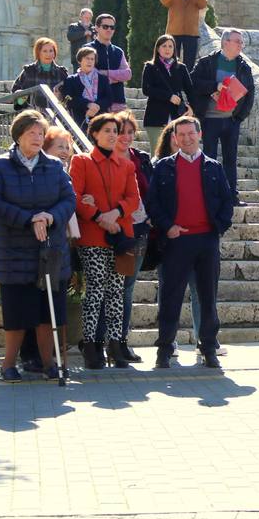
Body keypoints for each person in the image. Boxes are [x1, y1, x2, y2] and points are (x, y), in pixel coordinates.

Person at [0, 110, 76, 382]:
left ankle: (50, 364)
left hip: (50, 250)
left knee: (49, 311)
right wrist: (27, 219)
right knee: (17, 311)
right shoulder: (0, 166)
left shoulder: (54, 167)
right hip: (15, 251)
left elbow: (68, 200)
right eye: (31, 133)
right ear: (18, 135)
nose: (37, 138)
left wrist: (50, 216)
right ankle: (8, 364)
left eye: (40, 133)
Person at [147, 116, 234, 369]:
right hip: (176, 241)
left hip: (206, 241)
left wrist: (217, 227)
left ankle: (208, 347)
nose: (186, 138)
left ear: (200, 135)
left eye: (190, 134)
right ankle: (164, 348)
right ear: (174, 138)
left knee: (208, 297)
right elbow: (153, 204)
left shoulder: (214, 167)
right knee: (170, 297)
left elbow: (227, 202)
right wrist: (168, 227)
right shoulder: (163, 167)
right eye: (181, 135)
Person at [70, 113, 140, 370]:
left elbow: (133, 198)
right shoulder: (81, 161)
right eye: (108, 130)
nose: (113, 135)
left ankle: (115, 343)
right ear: (95, 133)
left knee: (116, 292)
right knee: (96, 290)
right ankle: (90, 344)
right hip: (93, 236)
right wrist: (99, 216)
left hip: (121, 237)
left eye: (116, 130)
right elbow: (75, 197)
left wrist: (117, 212)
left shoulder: (127, 165)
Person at [18, 126, 81, 373]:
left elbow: (68, 202)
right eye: (59, 147)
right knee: (30, 302)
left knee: (52, 302)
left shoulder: (62, 173)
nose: (65, 152)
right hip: (29, 246)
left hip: (58, 246)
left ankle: (49, 355)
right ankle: (30, 353)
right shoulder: (40, 172)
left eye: (67, 147)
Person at [102, 112, 154, 365]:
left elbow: (152, 191)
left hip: (138, 231)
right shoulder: (103, 159)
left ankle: (120, 342)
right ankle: (99, 341)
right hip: (110, 232)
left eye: (130, 132)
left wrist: (151, 217)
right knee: (104, 289)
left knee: (126, 290)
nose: (125, 137)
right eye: (120, 131)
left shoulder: (141, 160)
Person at [189, 28, 254, 204]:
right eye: (237, 41)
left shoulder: (244, 66)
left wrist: (239, 118)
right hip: (209, 120)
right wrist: (215, 86)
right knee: (209, 158)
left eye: (242, 42)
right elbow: (193, 84)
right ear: (225, 42)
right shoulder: (207, 62)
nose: (241, 45)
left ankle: (231, 196)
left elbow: (250, 94)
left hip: (231, 121)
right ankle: (209, 196)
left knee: (230, 160)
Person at [141, 33, 193, 143]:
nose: (167, 49)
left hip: (177, 116)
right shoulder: (150, 67)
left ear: (174, 49)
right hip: (155, 116)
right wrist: (168, 96)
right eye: (164, 46)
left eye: (170, 46)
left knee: (176, 152)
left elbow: (190, 90)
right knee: (156, 153)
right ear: (158, 49)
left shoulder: (181, 68)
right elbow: (146, 89)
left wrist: (191, 107)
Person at [160, 0, 209, 66]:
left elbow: (203, 5)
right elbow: (164, 2)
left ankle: (187, 79)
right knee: (171, 59)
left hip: (191, 33)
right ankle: (172, 78)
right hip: (174, 32)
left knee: (190, 60)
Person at [58, 46, 112, 132]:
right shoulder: (71, 80)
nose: (90, 61)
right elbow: (68, 99)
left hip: (100, 120)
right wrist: (88, 104)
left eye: (92, 59)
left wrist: (97, 106)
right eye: (87, 58)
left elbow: (109, 99)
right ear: (80, 60)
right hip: (78, 120)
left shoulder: (103, 79)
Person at [11, 37, 69, 110]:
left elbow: (69, 96)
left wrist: (60, 98)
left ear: (54, 53)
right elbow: (16, 91)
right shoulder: (29, 71)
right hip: (32, 116)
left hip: (55, 115)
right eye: (45, 51)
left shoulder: (61, 73)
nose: (48, 54)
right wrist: (26, 108)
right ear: (38, 53)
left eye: (51, 51)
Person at [89, 13, 131, 113]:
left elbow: (127, 74)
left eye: (112, 27)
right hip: (97, 103)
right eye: (105, 26)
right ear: (97, 28)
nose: (109, 30)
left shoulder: (118, 51)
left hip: (118, 103)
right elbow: (91, 74)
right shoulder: (88, 49)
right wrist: (116, 77)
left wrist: (107, 73)